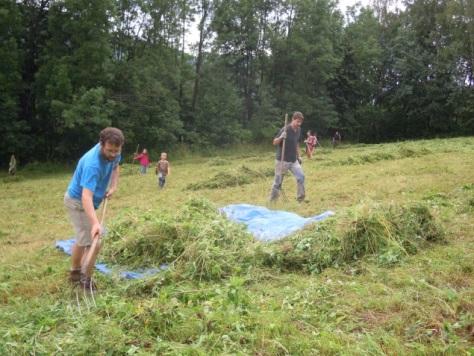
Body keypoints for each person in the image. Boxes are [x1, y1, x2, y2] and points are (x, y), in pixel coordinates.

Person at [64, 127, 124, 291]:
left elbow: (115, 166)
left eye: (116, 150)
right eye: (109, 150)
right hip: (77, 202)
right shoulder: (93, 164)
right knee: (94, 243)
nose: (113, 154)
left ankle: (75, 273)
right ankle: (85, 281)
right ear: (101, 144)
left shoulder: (115, 153)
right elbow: (86, 197)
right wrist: (95, 223)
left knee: (82, 238)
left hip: (87, 201)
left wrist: (113, 185)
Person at [269, 112, 305, 202]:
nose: (299, 124)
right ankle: (272, 202)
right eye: (297, 121)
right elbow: (274, 142)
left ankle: (300, 199)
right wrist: (281, 137)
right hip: (282, 161)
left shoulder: (298, 130)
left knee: (301, 177)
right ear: (293, 119)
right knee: (278, 183)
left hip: (293, 160)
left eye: (300, 122)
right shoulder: (285, 129)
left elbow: (296, 143)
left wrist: (299, 156)